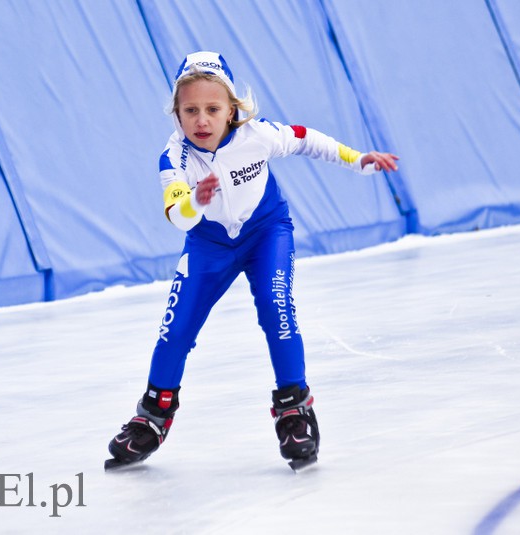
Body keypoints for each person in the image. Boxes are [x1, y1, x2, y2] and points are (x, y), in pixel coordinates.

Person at [108, 51, 399, 469]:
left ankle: (294, 408)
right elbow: (178, 215)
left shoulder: (258, 135)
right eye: (191, 110)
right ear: (177, 114)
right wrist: (196, 200)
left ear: (231, 111)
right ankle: (153, 416)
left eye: (212, 109)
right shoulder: (174, 157)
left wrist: (357, 160)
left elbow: (306, 138)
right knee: (175, 330)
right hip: (208, 244)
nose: (202, 120)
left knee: (276, 309)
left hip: (266, 234)